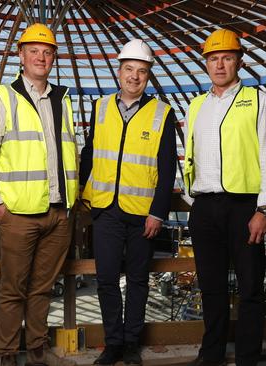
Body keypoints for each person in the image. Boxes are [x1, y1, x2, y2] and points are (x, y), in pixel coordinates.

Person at [0, 23, 78, 366]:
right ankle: (7, 352)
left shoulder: (63, 100)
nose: (41, 57)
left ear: (53, 59)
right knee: (12, 290)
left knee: (42, 289)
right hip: (18, 214)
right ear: (20, 55)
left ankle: (36, 347)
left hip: (58, 214)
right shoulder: (2, 97)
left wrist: (70, 205)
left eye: (47, 52)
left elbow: (70, 154)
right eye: (33, 50)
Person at [183, 28, 266, 366]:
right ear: (206, 64)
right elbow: (189, 157)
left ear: (239, 60)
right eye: (213, 58)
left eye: (226, 57)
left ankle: (247, 359)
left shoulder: (259, 101)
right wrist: (191, 201)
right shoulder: (196, 106)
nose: (219, 64)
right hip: (204, 207)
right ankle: (210, 355)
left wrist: (263, 208)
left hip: (245, 208)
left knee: (250, 288)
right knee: (211, 288)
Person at [80, 39, 177, 366]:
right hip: (105, 210)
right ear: (119, 72)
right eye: (129, 70)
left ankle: (132, 343)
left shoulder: (162, 113)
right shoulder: (100, 107)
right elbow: (88, 155)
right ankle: (113, 344)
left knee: (138, 281)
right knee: (106, 279)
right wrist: (82, 194)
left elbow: (167, 169)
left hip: (142, 215)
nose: (134, 76)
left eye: (141, 71)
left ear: (148, 76)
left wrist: (158, 213)